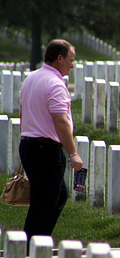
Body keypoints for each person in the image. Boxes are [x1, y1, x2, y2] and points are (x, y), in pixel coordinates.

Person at [19, 39, 83, 244]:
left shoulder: (32, 78)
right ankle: (32, 246)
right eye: (71, 60)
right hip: (45, 149)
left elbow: (23, 111)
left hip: (30, 144)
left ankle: (36, 241)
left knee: (56, 196)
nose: (72, 65)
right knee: (45, 202)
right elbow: (60, 120)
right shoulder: (55, 83)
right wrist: (73, 153)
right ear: (60, 58)